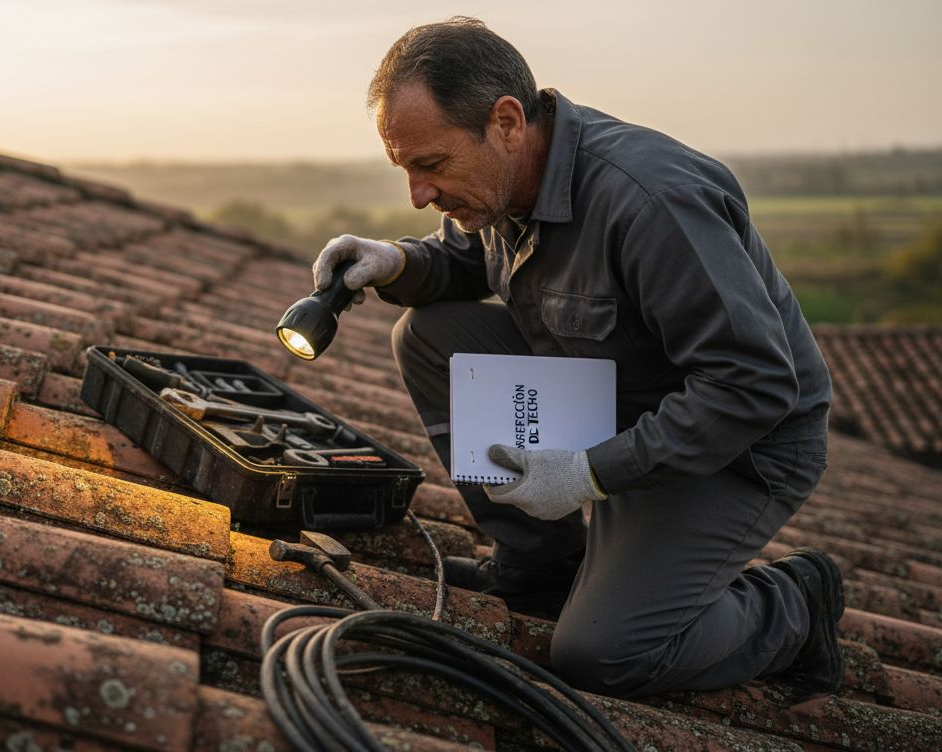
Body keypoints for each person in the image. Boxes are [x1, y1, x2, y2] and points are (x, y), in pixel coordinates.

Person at [312, 17, 842, 699]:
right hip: (616, 401)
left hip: (734, 445)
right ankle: (541, 568)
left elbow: (752, 387)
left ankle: (793, 603)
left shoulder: (651, 201)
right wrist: (396, 261)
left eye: (432, 165)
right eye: (406, 169)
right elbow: (465, 262)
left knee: (605, 654)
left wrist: (591, 472)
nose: (418, 193)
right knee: (428, 334)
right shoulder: (504, 181)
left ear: (506, 121)